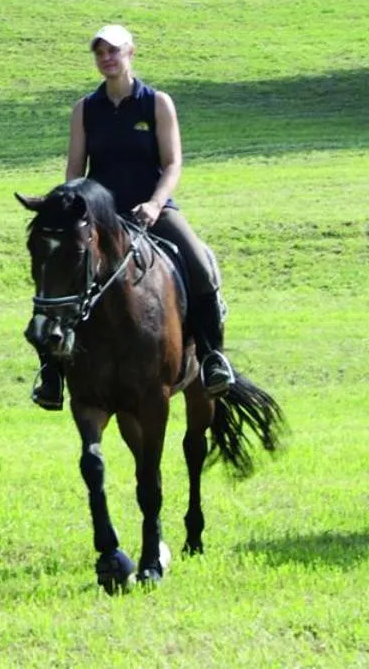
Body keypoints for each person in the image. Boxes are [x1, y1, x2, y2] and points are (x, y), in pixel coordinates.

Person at [30, 24, 235, 412]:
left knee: (201, 265)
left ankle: (212, 359)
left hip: (152, 211)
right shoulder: (84, 109)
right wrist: (67, 206)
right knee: (56, 275)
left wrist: (155, 204)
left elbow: (172, 164)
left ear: (131, 52)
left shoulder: (156, 103)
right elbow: (75, 171)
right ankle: (52, 373)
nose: (106, 58)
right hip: (100, 218)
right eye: (100, 52)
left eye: (113, 50)